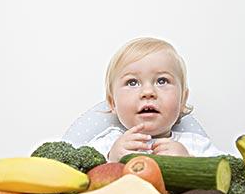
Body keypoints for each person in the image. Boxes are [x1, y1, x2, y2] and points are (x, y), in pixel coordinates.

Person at [87, 37, 224, 162]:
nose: (148, 92)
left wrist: (189, 162)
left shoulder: (195, 145)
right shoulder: (106, 144)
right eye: (132, 82)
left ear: (182, 100)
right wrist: (111, 160)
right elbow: (76, 179)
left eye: (162, 81)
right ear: (112, 103)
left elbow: (229, 177)